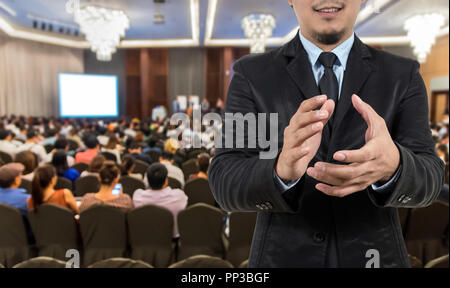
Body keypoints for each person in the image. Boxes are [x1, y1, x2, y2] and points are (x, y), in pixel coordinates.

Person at [208, 0, 445, 268]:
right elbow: (224, 180)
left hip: (377, 257)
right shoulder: (251, 74)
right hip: (282, 258)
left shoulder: (403, 74)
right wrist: (280, 171)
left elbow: (432, 178)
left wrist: (395, 166)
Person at [133, 163, 187, 238]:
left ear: (147, 181)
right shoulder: (179, 196)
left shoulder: (137, 196)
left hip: (143, 239)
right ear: (166, 181)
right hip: (170, 240)